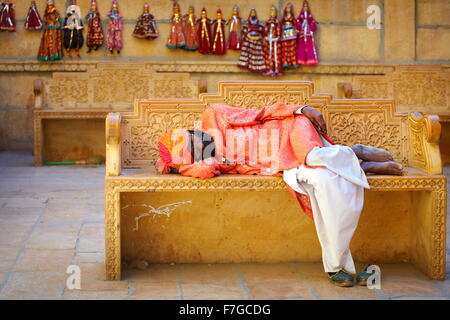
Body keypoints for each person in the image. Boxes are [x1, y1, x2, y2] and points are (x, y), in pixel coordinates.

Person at [157, 103, 403, 287]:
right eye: (191, 147)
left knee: (313, 157)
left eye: (188, 135)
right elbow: (204, 171)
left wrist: (301, 109)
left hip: (293, 129)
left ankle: (354, 153)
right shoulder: (213, 161)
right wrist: (179, 164)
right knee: (325, 184)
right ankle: (359, 167)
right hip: (291, 165)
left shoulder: (214, 115)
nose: (195, 141)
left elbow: (261, 113)